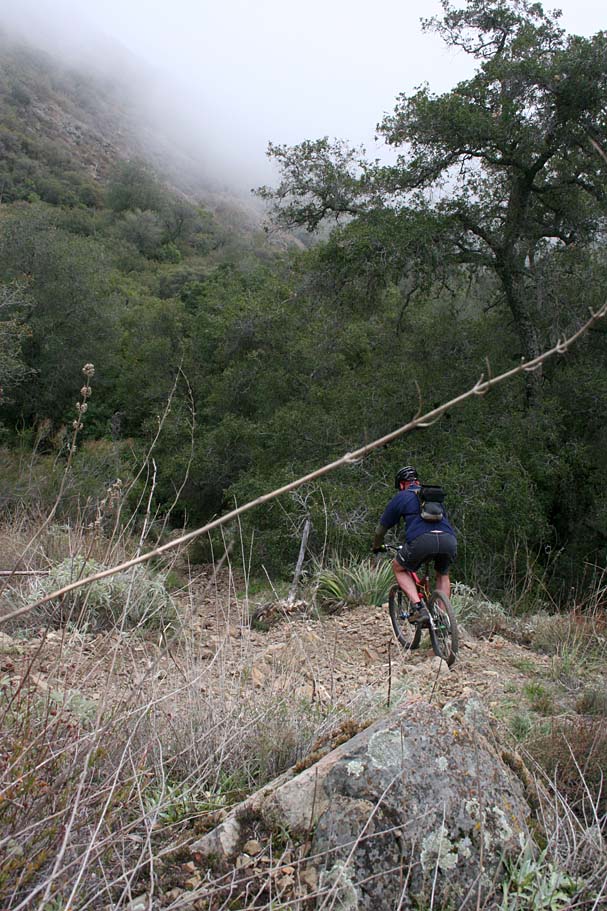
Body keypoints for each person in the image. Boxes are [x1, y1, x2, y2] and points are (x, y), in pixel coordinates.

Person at [372, 465, 457, 622]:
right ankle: (443, 619)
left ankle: (419, 609)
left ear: (401, 485)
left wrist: (376, 546)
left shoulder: (402, 497)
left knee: (398, 567)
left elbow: (380, 530)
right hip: (448, 539)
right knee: (442, 574)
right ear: (417, 481)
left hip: (422, 540)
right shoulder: (432, 497)